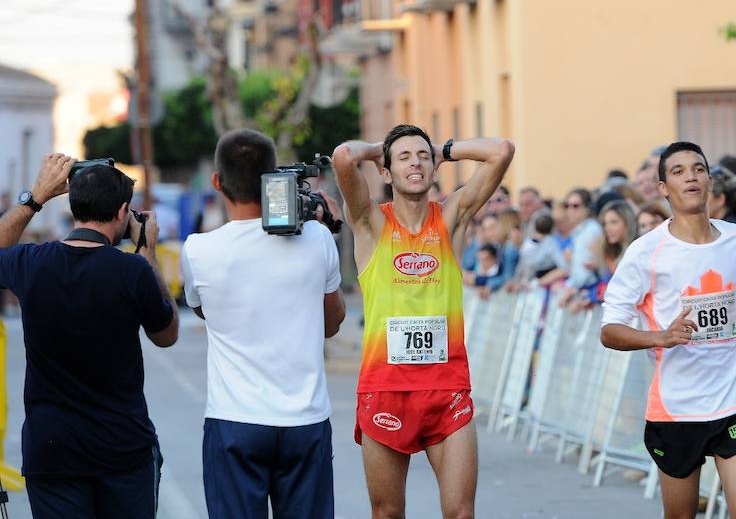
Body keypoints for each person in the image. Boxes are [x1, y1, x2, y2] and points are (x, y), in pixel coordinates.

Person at [600, 141, 736, 519]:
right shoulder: (646, 251)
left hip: (734, 394)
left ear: (709, 181)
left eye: (698, 168)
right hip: (677, 406)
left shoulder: (735, 237)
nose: (690, 176)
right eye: (678, 171)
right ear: (662, 188)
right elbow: (610, 329)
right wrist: (660, 337)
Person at [333, 125, 514, 519]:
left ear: (434, 167)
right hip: (386, 388)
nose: (414, 162)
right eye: (403, 157)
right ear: (385, 171)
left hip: (446, 387)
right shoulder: (370, 224)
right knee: (387, 513)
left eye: (422, 157)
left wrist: (441, 149)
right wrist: (382, 149)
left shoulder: (450, 219)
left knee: (460, 513)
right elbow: (344, 156)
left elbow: (501, 150)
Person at [0, 156, 178, 518]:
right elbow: (167, 334)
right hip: (123, 450)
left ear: (72, 204)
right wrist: (146, 250)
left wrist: (35, 198)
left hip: (52, 452)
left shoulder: (31, 263)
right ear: (122, 211)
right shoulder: (133, 271)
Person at [180, 129, 345, 518]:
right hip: (305, 420)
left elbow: (205, 310)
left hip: (233, 421)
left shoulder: (197, 249)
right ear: (275, 176)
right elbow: (333, 322)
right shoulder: (318, 239)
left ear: (217, 181)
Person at [558, 188, 603, 306]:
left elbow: (587, 269)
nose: (570, 210)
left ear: (587, 208)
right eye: (567, 206)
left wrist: (573, 289)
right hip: (581, 292)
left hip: (590, 293)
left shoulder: (592, 230)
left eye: (575, 206)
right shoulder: (578, 231)